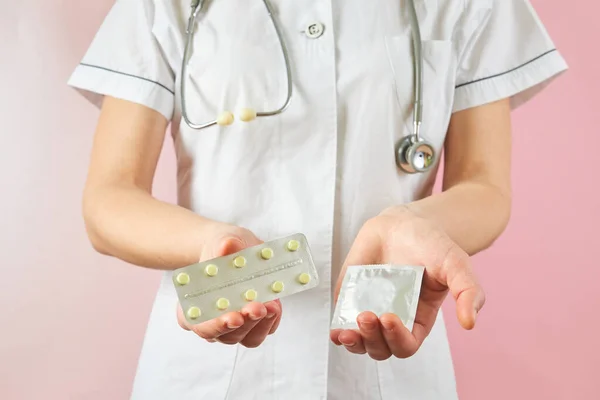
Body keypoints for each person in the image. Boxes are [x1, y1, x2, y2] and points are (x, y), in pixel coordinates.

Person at [68, 0, 567, 399]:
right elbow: (109, 199)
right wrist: (210, 243)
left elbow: (484, 185)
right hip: (209, 371)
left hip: (386, 357)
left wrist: (409, 223)